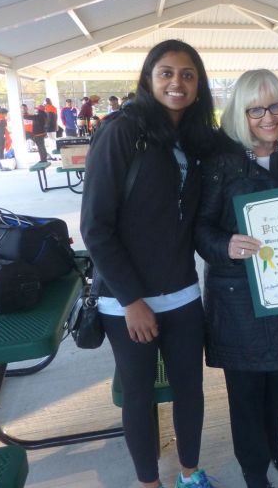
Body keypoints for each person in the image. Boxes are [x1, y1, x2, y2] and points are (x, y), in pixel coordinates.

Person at [81, 40, 217, 488]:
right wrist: (131, 299)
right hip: (127, 301)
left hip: (181, 293)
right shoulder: (121, 132)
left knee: (189, 390)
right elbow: (95, 227)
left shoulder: (195, 139)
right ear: (148, 78)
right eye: (166, 72)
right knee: (139, 396)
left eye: (187, 74)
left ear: (198, 87)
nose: (176, 82)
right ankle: (148, 482)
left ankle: (190, 472)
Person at [195, 69, 278, 488]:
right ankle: (253, 470)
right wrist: (225, 244)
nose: (269, 117)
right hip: (238, 295)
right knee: (246, 391)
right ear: (239, 113)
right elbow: (200, 227)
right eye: (256, 110)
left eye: (277, 106)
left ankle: (272, 445)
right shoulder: (222, 161)